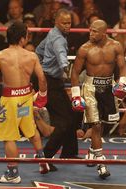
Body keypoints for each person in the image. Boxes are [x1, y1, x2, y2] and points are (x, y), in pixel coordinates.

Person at [0, 21, 49, 184]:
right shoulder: (32, 55)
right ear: (23, 38)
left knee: (9, 137)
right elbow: (42, 78)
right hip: (26, 98)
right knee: (30, 129)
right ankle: (43, 161)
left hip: (10, 101)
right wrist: (42, 96)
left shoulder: (0, 55)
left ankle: (13, 174)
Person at [71, 19, 126, 179]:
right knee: (95, 125)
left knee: (103, 123)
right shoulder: (85, 49)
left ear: (104, 33)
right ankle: (101, 163)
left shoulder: (116, 46)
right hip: (90, 88)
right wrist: (76, 95)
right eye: (90, 30)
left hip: (109, 86)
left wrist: (122, 84)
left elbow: (123, 68)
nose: (91, 33)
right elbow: (74, 72)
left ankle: (92, 149)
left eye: (95, 31)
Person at [35, 8, 79, 171]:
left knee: (71, 115)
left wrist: (39, 68)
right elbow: (62, 58)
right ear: (56, 22)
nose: (68, 26)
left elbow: (38, 51)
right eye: (64, 23)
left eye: (69, 23)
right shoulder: (59, 39)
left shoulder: (52, 33)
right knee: (64, 122)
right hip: (51, 82)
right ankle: (44, 157)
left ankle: (69, 152)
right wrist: (68, 73)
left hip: (50, 80)